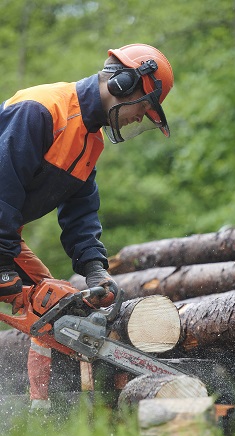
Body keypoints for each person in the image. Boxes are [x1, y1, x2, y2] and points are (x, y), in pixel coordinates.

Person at [0, 43, 174, 409]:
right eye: (142, 110)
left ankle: (42, 416)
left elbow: (80, 213)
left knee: (52, 306)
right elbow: (4, 186)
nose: (137, 120)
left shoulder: (88, 140)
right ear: (124, 84)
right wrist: (3, 267)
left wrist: (95, 270)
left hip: (5, 239)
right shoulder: (42, 109)